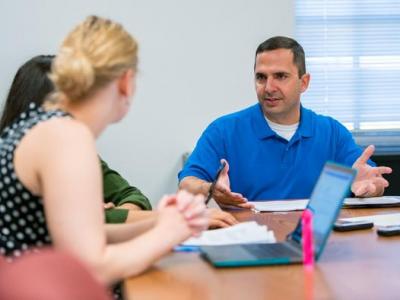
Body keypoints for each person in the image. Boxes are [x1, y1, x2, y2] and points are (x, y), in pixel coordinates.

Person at [0, 15, 208, 292]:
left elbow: (86, 238)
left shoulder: (39, 124)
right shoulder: (68, 136)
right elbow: (91, 269)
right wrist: (169, 232)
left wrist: (160, 222)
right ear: (126, 81)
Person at [0, 55, 237, 228]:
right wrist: (175, 220)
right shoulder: (20, 159)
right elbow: (82, 224)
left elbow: (135, 197)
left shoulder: (76, 154)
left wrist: (113, 214)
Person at [178, 36, 392, 208]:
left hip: (311, 242)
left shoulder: (331, 132)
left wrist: (370, 188)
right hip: (248, 239)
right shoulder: (224, 130)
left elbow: (369, 179)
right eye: (261, 77)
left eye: (280, 76)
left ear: (304, 82)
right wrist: (211, 189)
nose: (269, 87)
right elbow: (187, 183)